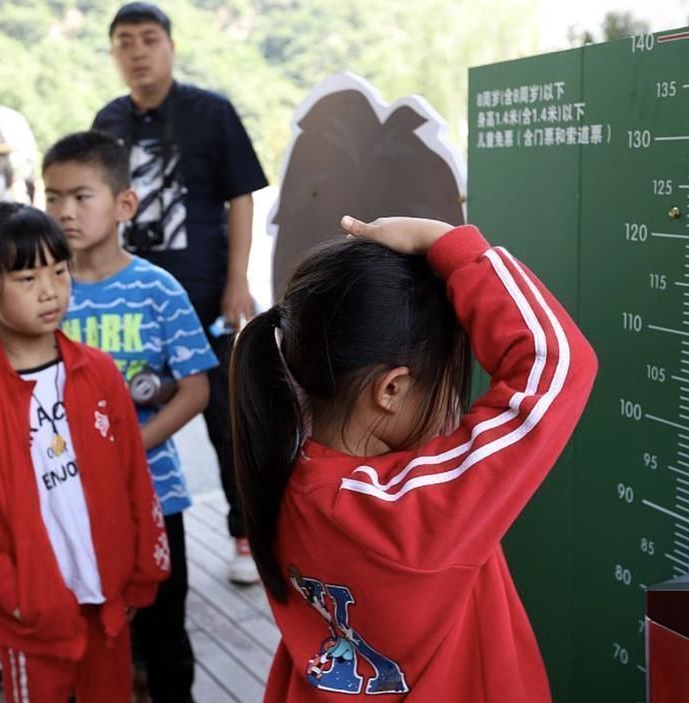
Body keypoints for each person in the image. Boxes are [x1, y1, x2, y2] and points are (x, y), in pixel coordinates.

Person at [230, 216, 597, 700]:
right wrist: (452, 245)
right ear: (392, 389)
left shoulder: (283, 473)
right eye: (448, 382)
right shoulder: (412, 509)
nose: (456, 405)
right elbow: (558, 364)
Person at [0, 203, 170, 703]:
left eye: (59, 271)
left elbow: (134, 477)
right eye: (26, 277)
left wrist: (141, 573)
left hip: (109, 602)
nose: (49, 290)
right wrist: (12, 592)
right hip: (30, 620)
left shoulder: (99, 372)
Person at [95, 1, 269, 583]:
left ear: (170, 46)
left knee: (227, 421)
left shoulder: (210, 113)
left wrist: (237, 280)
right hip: (133, 302)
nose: (137, 51)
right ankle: (129, 529)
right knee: (129, 413)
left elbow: (241, 196)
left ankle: (245, 535)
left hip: (204, 298)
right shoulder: (108, 123)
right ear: (114, 53)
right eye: (125, 41)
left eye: (148, 39)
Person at [46, 131, 214, 702]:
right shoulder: (43, 291)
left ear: (124, 204)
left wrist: (129, 447)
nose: (64, 211)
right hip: (66, 501)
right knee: (81, 633)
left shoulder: (158, 289)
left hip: (153, 498)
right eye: (53, 197)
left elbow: (195, 390)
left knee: (165, 635)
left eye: (80, 196)